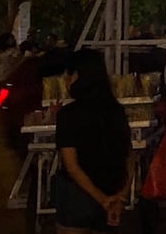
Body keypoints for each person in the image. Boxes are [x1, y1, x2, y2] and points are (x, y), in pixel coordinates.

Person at [54, 49, 132, 233]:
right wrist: (119, 196)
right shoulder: (116, 111)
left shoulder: (68, 115)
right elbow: (129, 157)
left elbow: (72, 166)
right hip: (111, 189)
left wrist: (101, 199)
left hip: (77, 198)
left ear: (77, 76)